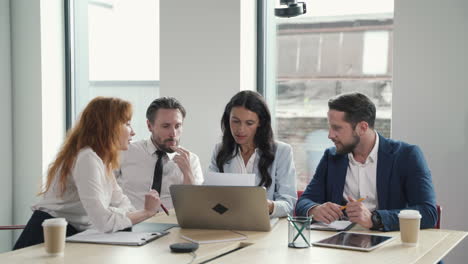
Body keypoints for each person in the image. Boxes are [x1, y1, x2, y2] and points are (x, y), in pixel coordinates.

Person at [14, 97, 161, 250]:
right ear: (109, 127)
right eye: (127, 124)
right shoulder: (87, 158)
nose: (133, 132)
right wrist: (147, 212)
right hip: (45, 239)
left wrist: (114, 213)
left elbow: (123, 204)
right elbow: (105, 222)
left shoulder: (102, 161)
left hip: (70, 236)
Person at [295, 92, 437, 231]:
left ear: (362, 127)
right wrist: (315, 209)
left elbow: (428, 213)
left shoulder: (407, 156)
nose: (330, 135)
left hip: (389, 244)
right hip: (339, 245)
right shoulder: (331, 157)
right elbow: (304, 201)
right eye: (330, 127)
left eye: (337, 128)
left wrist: (374, 219)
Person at [209, 91, 297, 218]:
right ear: (228, 119)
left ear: (260, 123)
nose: (240, 129)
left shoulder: (282, 152)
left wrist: (269, 206)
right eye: (235, 121)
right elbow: (209, 195)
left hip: (265, 228)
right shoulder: (220, 150)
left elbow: (289, 204)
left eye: (249, 123)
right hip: (227, 224)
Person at [116, 97, 203, 210]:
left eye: (178, 126)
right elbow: (104, 192)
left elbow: (196, 207)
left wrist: (188, 173)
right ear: (149, 126)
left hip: (172, 225)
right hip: (133, 223)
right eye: (166, 126)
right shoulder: (126, 152)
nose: (173, 133)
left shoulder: (191, 160)